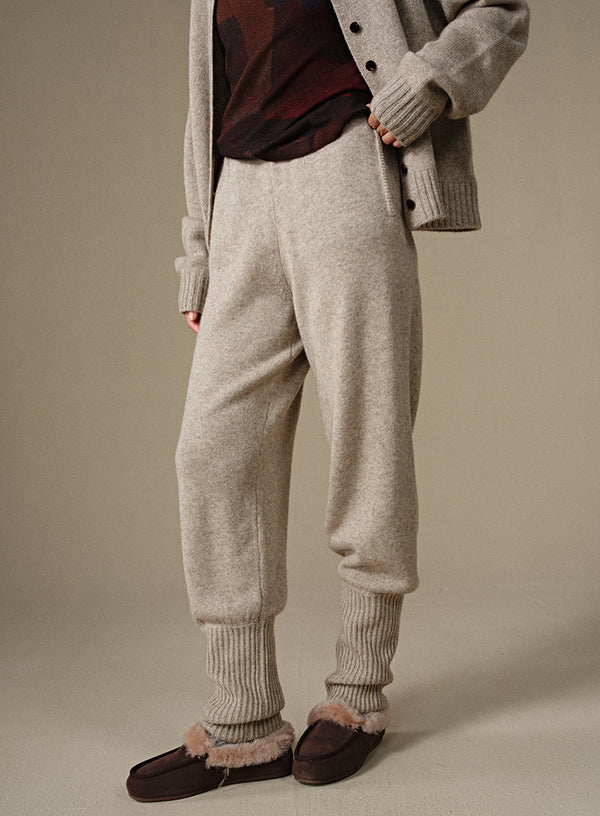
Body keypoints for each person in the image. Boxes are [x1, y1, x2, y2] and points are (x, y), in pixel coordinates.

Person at [126, 0, 530, 802]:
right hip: (240, 196)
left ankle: (358, 693)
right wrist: (199, 253)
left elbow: (502, 11)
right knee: (212, 452)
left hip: (345, 168)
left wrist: (429, 82)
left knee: (368, 438)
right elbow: (208, 94)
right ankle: (242, 720)